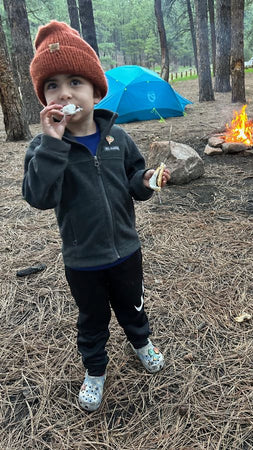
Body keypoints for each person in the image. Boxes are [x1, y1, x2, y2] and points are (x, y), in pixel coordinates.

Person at [22, 21, 170, 412]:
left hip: (126, 249)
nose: (64, 93)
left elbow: (132, 182)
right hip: (82, 259)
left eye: (75, 81)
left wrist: (148, 180)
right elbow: (38, 197)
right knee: (92, 318)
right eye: (52, 85)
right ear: (44, 98)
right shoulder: (44, 148)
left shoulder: (118, 139)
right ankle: (95, 370)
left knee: (133, 304)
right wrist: (52, 146)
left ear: (95, 90)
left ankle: (141, 342)